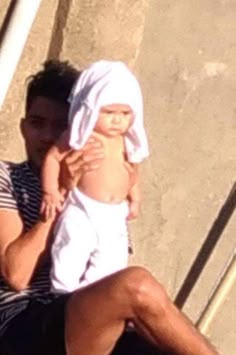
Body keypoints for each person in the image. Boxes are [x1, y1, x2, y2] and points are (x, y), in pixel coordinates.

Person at [0, 60, 218, 355]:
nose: (48, 137)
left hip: (91, 320)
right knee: (136, 285)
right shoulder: (7, 178)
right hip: (25, 324)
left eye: (61, 125)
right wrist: (61, 190)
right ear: (23, 127)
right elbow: (16, 275)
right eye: (38, 124)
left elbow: (108, 273)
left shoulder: (100, 190)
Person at [41, 60, 149, 293]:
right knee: (71, 248)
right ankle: (62, 294)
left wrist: (135, 197)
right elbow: (53, 158)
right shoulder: (82, 133)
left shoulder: (126, 140)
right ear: (92, 108)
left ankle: (93, 300)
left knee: (112, 261)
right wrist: (50, 191)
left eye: (125, 113)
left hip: (114, 214)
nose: (117, 120)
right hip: (82, 207)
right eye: (109, 112)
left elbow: (133, 170)